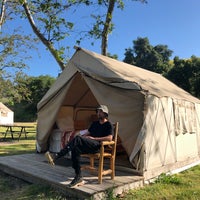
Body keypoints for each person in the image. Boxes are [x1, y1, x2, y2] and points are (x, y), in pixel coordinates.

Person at [47, 105, 113, 187]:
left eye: (100, 112)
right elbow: (87, 133)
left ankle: (58, 155)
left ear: (105, 113)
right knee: (75, 148)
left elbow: (110, 138)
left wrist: (94, 138)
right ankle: (78, 177)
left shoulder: (108, 125)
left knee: (77, 138)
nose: (98, 113)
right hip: (90, 145)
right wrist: (82, 137)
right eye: (98, 111)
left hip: (98, 146)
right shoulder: (95, 123)